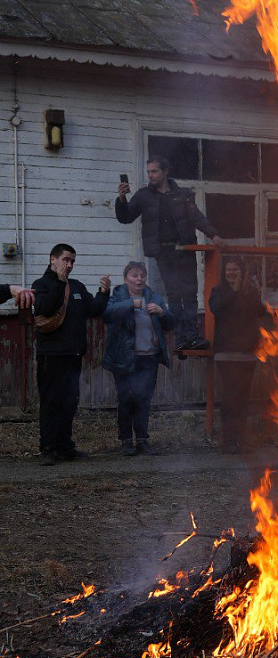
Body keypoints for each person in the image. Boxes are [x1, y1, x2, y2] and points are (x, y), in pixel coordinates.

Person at [114, 156, 225, 351]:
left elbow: (197, 218)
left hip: (185, 250)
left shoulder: (182, 195)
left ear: (165, 172)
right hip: (164, 253)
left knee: (190, 295)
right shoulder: (143, 196)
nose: (151, 175)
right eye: (148, 172)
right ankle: (181, 338)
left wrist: (214, 235)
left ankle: (193, 336)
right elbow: (125, 217)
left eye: (154, 171)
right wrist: (122, 199)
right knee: (174, 296)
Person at [32, 243, 110, 465]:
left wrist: (104, 293)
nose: (69, 265)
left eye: (72, 261)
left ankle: (64, 447)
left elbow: (94, 310)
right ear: (52, 259)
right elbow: (45, 308)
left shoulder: (76, 286)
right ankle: (47, 449)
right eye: (66, 260)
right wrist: (59, 281)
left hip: (73, 356)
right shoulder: (41, 284)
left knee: (69, 403)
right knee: (50, 403)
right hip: (51, 356)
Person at [103, 262, 175, 456]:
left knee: (144, 400)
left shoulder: (154, 297)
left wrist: (162, 312)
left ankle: (142, 441)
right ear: (126, 278)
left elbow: (171, 323)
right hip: (125, 358)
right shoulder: (118, 295)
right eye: (134, 275)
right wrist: (131, 304)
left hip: (149, 358)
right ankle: (126, 441)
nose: (139, 279)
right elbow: (107, 314)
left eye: (142, 275)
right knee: (126, 399)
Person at [209, 258, 272, 452]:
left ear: (241, 272)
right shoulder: (218, 292)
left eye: (235, 269)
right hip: (226, 354)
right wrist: (234, 291)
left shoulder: (250, 292)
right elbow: (217, 309)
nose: (231, 272)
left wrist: (248, 292)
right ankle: (228, 441)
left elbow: (261, 311)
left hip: (246, 354)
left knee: (243, 399)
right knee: (229, 400)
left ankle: (241, 440)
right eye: (228, 269)